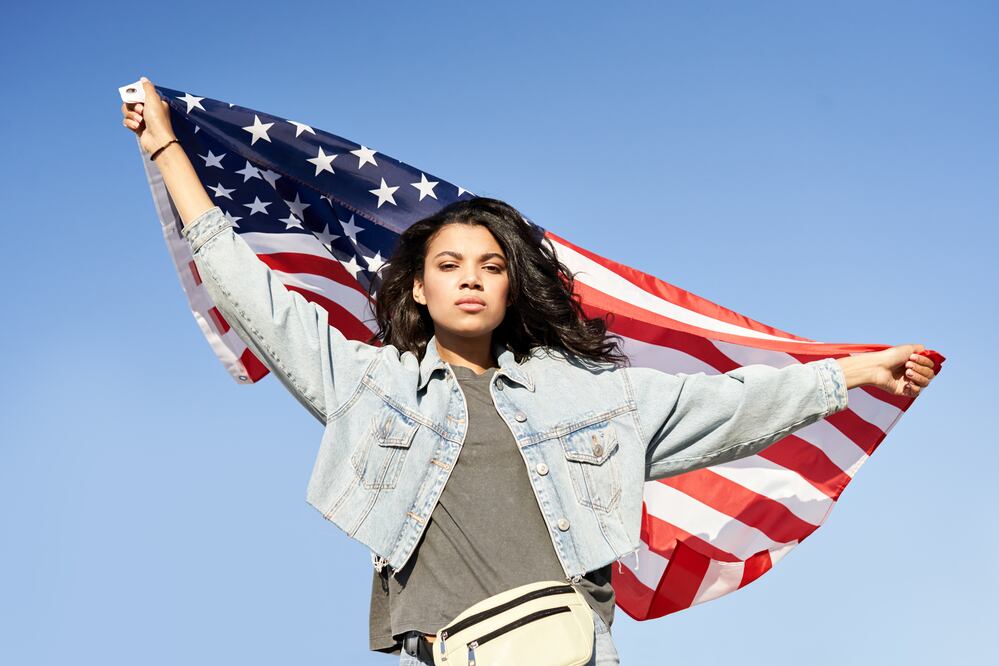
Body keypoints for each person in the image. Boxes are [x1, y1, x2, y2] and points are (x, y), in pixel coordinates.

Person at [121, 78, 937, 665]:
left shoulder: (588, 395)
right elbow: (258, 297)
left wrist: (855, 373)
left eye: (488, 265)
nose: (470, 277)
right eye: (449, 263)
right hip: (439, 651)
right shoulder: (366, 385)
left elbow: (726, 404)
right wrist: (164, 149)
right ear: (417, 284)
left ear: (511, 286)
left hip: (569, 647)